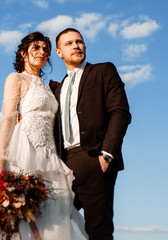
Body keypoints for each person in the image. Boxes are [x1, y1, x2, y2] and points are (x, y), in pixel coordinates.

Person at [0, 32, 87, 240]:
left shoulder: (48, 87)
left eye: (45, 50)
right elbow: (8, 118)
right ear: (23, 53)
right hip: (25, 150)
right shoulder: (16, 78)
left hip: (49, 154)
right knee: (26, 217)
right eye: (36, 48)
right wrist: (0, 157)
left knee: (52, 217)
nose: (42, 52)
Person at [53, 28, 131, 240]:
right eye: (69, 43)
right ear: (59, 52)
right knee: (55, 224)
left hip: (94, 158)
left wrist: (106, 155)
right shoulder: (58, 88)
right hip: (64, 163)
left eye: (79, 42)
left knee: (98, 229)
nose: (76, 46)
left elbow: (121, 112)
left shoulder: (103, 70)